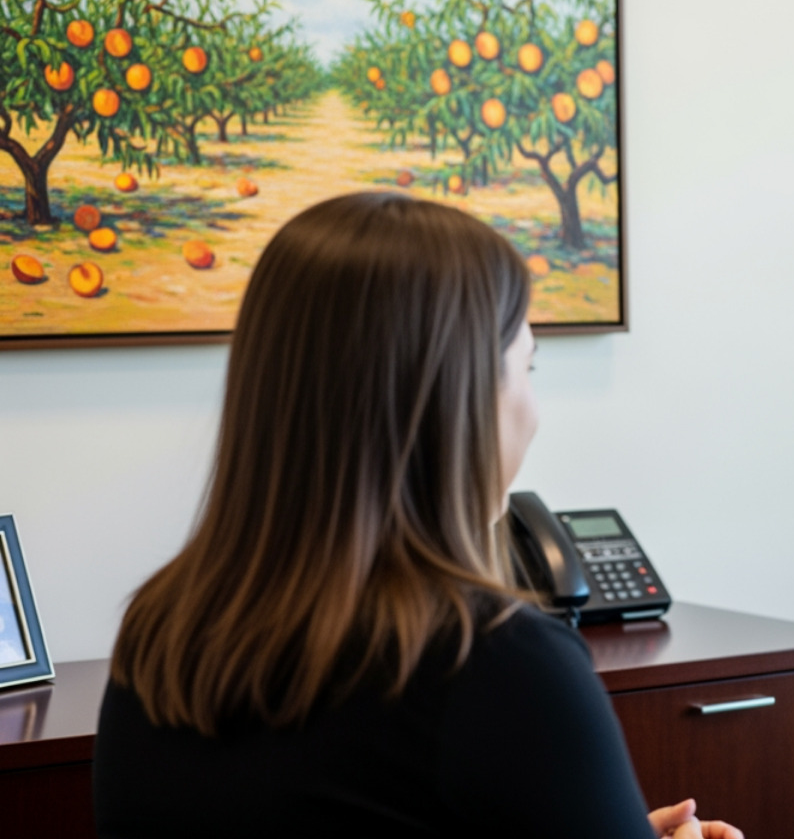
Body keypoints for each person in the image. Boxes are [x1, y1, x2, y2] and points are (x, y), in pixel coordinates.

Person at [93, 192, 741, 839]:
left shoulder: (159, 637)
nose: (535, 411)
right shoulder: (503, 668)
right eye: (528, 367)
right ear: (460, 401)